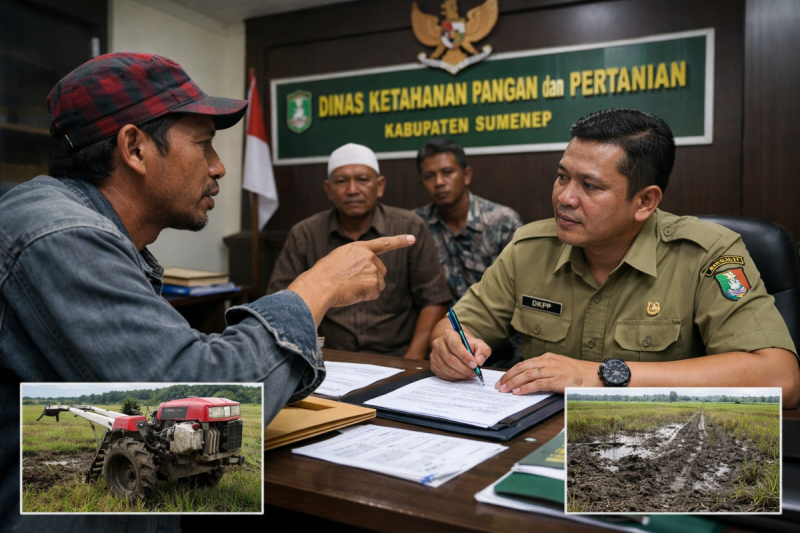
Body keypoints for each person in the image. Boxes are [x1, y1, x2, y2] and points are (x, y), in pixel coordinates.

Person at [0, 53, 415, 533]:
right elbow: (192, 394)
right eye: (204, 145)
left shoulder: (76, 225)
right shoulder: (58, 236)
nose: (218, 168)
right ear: (134, 148)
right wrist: (317, 286)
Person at [428, 108, 800, 408]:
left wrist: (599, 375)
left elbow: (780, 379)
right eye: (562, 177)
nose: (565, 198)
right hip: (542, 440)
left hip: (666, 446)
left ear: (645, 202)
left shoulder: (707, 253)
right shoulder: (530, 247)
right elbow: (453, 327)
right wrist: (450, 349)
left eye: (589, 186)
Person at [268, 143, 452, 359]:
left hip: (396, 358)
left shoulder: (409, 228)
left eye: (363, 180)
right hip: (328, 359)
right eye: (342, 181)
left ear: (380, 185)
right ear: (328, 189)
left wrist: (411, 361)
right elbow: (279, 301)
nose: (353, 190)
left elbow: (434, 300)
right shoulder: (305, 234)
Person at [414, 138, 524, 302]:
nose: (439, 182)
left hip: (492, 321)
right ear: (422, 184)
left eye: (447, 172)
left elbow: (519, 288)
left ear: (466, 175)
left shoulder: (503, 222)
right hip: (436, 321)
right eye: (430, 176)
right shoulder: (416, 224)